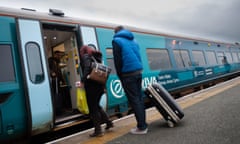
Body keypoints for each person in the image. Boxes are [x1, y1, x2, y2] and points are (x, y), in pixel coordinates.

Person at [112, 26, 148, 134]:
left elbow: (117, 61)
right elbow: (139, 57)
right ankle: (143, 123)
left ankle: (141, 127)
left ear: (116, 32)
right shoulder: (134, 40)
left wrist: (120, 76)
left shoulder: (116, 41)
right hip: (138, 72)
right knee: (139, 99)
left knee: (134, 100)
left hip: (128, 74)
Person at [78, 45, 113, 137]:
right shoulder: (97, 57)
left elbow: (87, 68)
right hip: (100, 86)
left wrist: (82, 81)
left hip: (92, 87)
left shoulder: (86, 57)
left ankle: (98, 131)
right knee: (97, 106)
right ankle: (109, 122)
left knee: (93, 109)